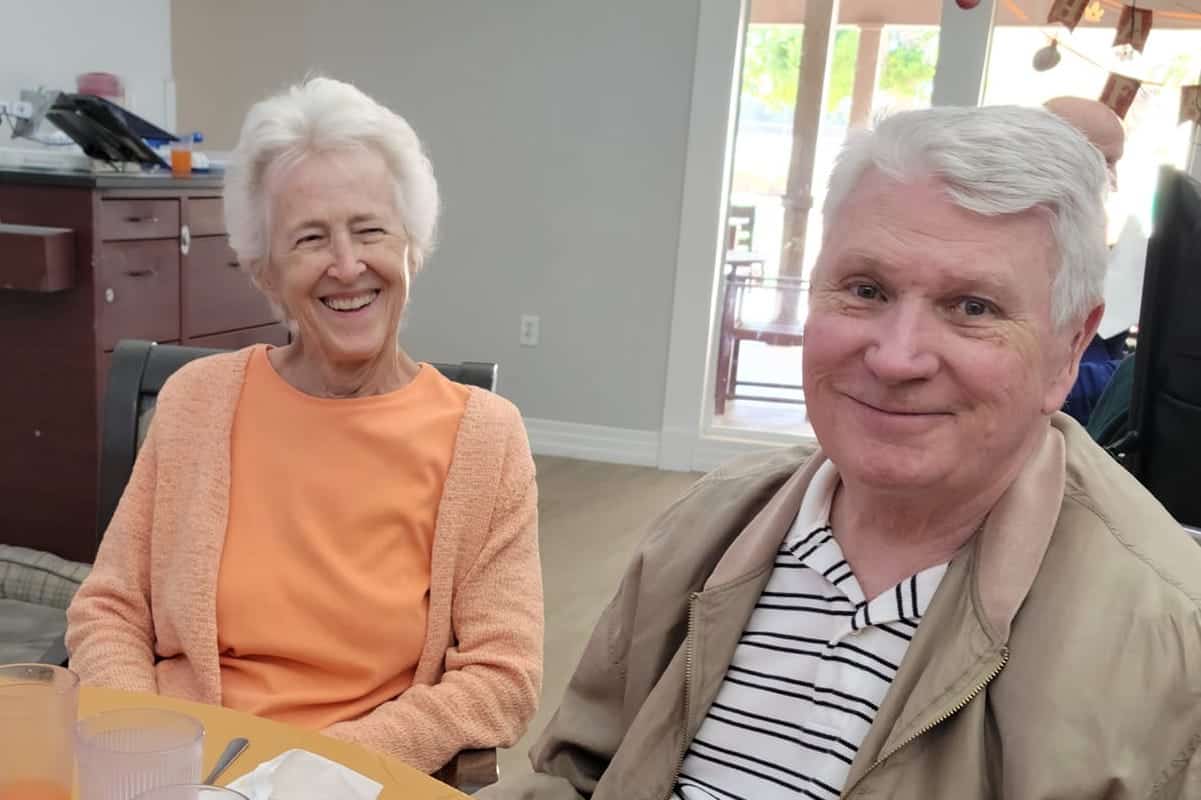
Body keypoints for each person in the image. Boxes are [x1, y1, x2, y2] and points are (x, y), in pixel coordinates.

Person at [480, 106, 1201, 799]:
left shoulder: (1168, 641)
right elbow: (579, 772)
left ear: (1069, 347)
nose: (894, 358)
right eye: (865, 289)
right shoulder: (710, 522)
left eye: (971, 307)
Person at [66, 77, 543, 775]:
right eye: (311, 238)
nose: (347, 266)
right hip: (175, 768)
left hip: (352, 779)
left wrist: (318, 768)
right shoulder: (198, 402)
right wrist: (149, 742)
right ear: (264, 271)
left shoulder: (484, 437)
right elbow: (109, 608)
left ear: (413, 246)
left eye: (371, 229)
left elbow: (503, 676)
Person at [1043, 97, 1137, 424]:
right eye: (1106, 162)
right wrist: (1135, 375)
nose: (1115, 181)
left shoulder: (1083, 233)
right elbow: (1038, 384)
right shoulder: (1018, 242)